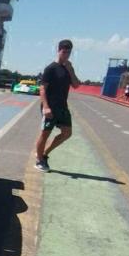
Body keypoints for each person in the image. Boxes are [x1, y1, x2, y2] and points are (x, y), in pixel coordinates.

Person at [34, 39, 80, 172]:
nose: (66, 55)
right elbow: (42, 89)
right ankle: (39, 161)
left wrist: (71, 69)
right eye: (64, 52)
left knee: (67, 133)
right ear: (58, 51)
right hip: (50, 107)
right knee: (45, 134)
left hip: (62, 107)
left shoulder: (67, 69)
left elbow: (76, 85)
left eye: (68, 52)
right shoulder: (50, 68)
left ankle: (44, 154)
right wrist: (46, 107)